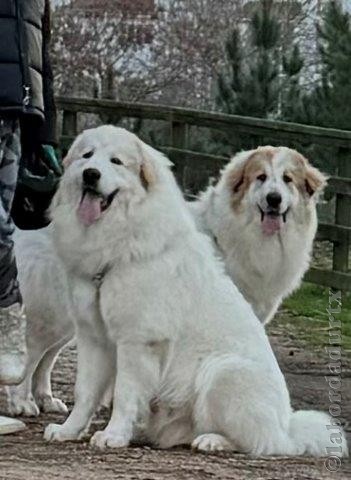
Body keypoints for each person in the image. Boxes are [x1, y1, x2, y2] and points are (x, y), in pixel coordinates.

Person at [0, 0, 60, 434]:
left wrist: (44, 133)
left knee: (4, 237)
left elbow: (41, 60)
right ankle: (7, 329)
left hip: (13, 119)